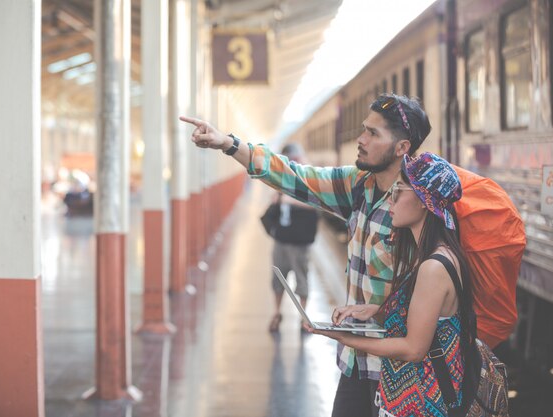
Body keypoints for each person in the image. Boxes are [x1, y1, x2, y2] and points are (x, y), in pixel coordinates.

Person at [179, 93, 431, 417]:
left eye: (373, 133)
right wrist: (228, 144)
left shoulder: (419, 207)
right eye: (364, 129)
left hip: (400, 374)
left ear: (402, 147)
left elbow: (434, 290)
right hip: (355, 363)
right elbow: (294, 176)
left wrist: (383, 311)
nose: (361, 139)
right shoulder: (358, 187)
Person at [307, 152, 477, 417]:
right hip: (414, 399)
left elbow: (414, 348)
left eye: (399, 190)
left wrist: (347, 338)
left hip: (423, 405)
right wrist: (375, 309)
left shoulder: (434, 266)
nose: (392, 200)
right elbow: (426, 319)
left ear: (423, 201)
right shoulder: (431, 255)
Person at [265, 143, 319, 333]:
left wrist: (287, 200)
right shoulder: (283, 178)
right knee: (277, 279)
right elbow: (276, 200)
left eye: (296, 160)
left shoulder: (311, 178)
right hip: (281, 238)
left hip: (300, 240)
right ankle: (277, 313)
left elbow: (318, 204)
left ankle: (303, 317)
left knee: (301, 278)